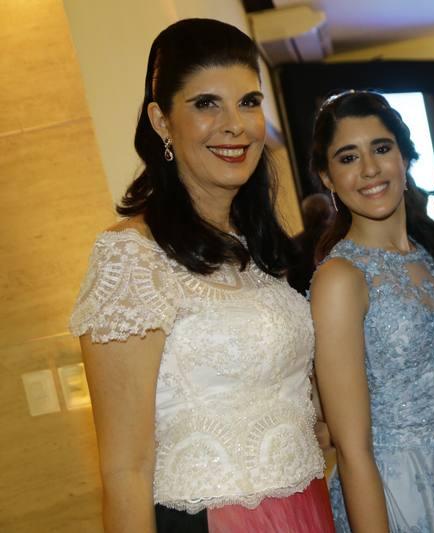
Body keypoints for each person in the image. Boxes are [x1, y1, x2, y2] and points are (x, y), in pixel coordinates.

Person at [69, 19, 334, 533]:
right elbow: (125, 470)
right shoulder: (131, 257)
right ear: (162, 121)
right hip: (213, 519)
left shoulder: (257, 248)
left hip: (304, 506)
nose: (235, 125)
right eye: (206, 104)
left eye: (249, 102)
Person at [308, 90, 434, 532]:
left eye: (381, 148)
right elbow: (352, 449)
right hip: (398, 491)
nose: (369, 169)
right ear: (327, 176)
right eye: (348, 157)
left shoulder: (433, 254)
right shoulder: (340, 279)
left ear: (405, 156)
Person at [287, 193, 335, 294]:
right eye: (331, 205)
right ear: (328, 211)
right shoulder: (338, 236)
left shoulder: (295, 242)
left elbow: (292, 279)